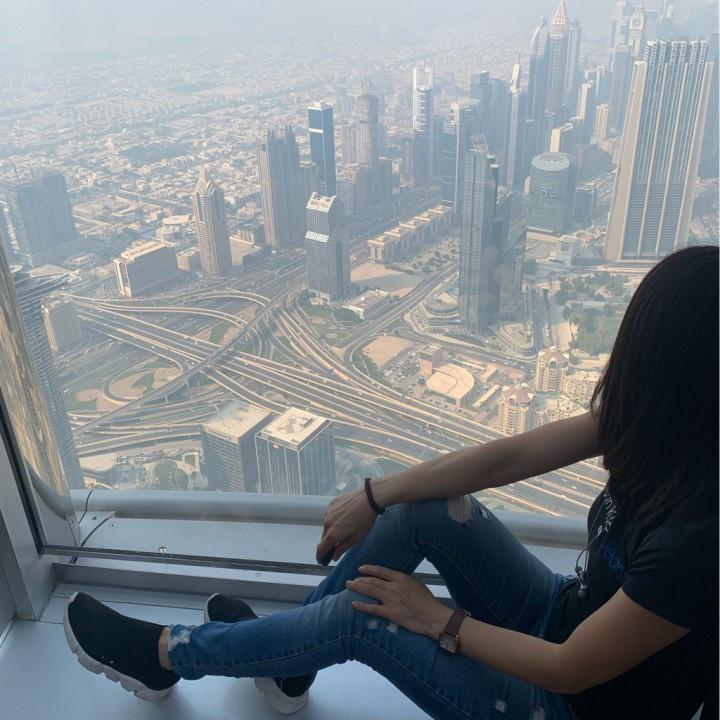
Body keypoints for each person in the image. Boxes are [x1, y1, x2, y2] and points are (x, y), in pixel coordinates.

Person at [64, 246, 718, 720]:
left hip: (568, 703)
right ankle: (291, 664)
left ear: (666, 372)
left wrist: (438, 620)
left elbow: (572, 669)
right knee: (423, 511)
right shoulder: (663, 428)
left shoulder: (700, 542)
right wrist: (377, 495)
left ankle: (166, 653)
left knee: (367, 620)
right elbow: (509, 457)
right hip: (558, 613)